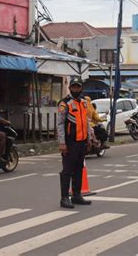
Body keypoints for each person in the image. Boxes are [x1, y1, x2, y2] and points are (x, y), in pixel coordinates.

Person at [57, 78, 92, 209]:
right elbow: (60, 124)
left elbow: (86, 122)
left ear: (81, 88)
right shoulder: (65, 103)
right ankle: (64, 198)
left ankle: (76, 196)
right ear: (70, 88)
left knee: (78, 169)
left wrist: (89, 138)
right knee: (67, 171)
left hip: (82, 141)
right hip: (70, 142)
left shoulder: (83, 102)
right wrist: (62, 143)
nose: (76, 89)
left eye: (78, 87)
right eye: (74, 87)